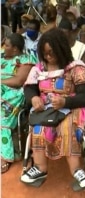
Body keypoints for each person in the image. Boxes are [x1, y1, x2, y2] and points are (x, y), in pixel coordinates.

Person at [20, 28, 85, 190]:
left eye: (52, 52)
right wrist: (34, 98)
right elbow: (29, 88)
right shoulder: (39, 69)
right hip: (47, 108)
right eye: (45, 53)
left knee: (67, 128)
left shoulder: (76, 69)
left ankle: (77, 170)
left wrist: (64, 102)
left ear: (61, 50)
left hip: (72, 106)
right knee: (38, 128)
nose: (48, 56)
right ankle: (40, 168)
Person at [1, 33, 37, 173]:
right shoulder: (1, 57)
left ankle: (5, 156)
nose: (4, 47)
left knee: (2, 114)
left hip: (16, 93)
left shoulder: (26, 59)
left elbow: (18, 82)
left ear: (15, 49)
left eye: (7, 45)